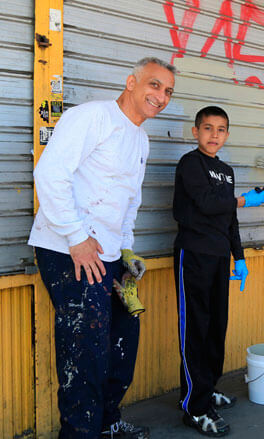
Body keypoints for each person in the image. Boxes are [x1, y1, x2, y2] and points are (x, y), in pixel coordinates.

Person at [28, 57, 176, 438]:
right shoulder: (93, 117)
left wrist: (125, 252)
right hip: (67, 250)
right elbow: (50, 173)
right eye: (154, 85)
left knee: (122, 342)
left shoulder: (140, 137)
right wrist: (77, 238)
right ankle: (80, 434)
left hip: (108, 257)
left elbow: (129, 201)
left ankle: (108, 423)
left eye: (168, 91)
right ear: (131, 82)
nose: (161, 96)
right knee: (86, 352)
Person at [173, 106, 264, 436]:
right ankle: (194, 407)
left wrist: (238, 256)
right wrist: (242, 200)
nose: (214, 135)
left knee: (216, 327)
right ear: (195, 131)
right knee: (195, 329)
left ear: (227, 135)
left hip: (218, 259)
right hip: (194, 254)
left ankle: (206, 388)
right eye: (208, 128)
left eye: (221, 129)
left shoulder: (226, 171)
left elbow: (228, 218)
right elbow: (207, 204)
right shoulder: (190, 164)